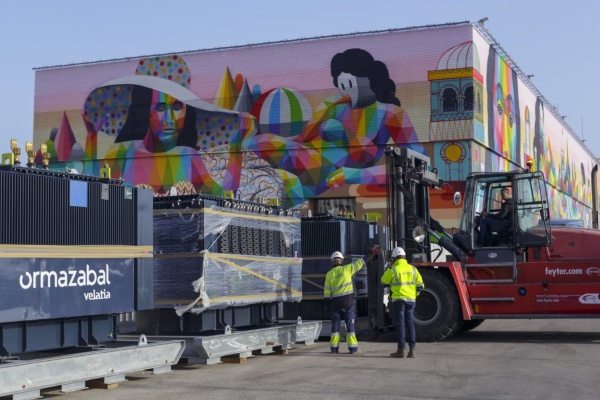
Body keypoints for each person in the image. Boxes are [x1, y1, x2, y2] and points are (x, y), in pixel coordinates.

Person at [324, 245, 380, 354]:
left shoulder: (329, 274)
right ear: (342, 261)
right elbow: (361, 262)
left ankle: (334, 349)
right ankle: (353, 349)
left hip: (335, 304)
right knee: (350, 325)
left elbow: (327, 292)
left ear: (332, 262)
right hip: (348, 303)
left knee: (335, 326)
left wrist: (327, 305)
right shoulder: (347, 269)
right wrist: (371, 254)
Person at [381, 246, 424, 358]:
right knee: (410, 323)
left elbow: (383, 280)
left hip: (399, 300)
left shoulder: (393, 269)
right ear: (404, 257)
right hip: (411, 300)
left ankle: (401, 350)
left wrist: (389, 268)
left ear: (394, 259)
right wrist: (415, 295)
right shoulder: (413, 269)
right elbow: (420, 285)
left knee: (400, 324)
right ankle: (412, 350)